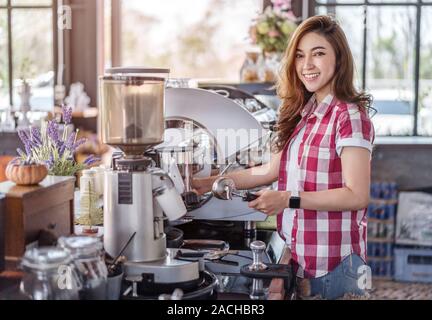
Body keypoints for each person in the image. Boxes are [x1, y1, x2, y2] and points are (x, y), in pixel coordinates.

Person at [193, 15, 374, 300]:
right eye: (300, 56)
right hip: (301, 257)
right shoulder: (305, 113)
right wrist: (209, 182)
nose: (307, 65)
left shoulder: (349, 116)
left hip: (334, 264)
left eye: (318, 54)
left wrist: (288, 199)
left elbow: (357, 195)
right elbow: (269, 170)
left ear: (339, 59)